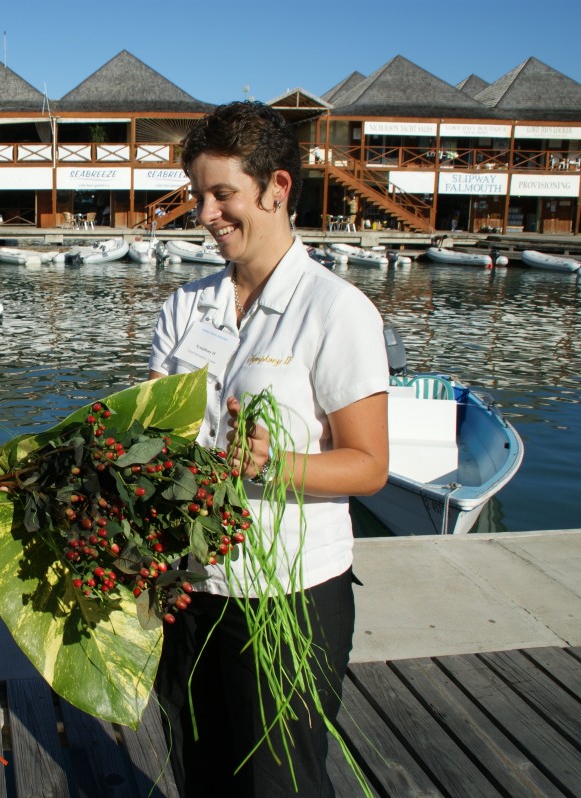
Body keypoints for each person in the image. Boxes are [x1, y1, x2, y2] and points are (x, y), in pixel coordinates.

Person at [147, 101, 389, 797]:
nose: (206, 213)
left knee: (281, 783)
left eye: (223, 194)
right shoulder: (183, 309)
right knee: (201, 775)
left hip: (290, 595)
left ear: (276, 188)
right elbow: (158, 443)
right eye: (198, 195)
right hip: (189, 589)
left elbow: (369, 465)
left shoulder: (335, 310)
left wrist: (269, 463)